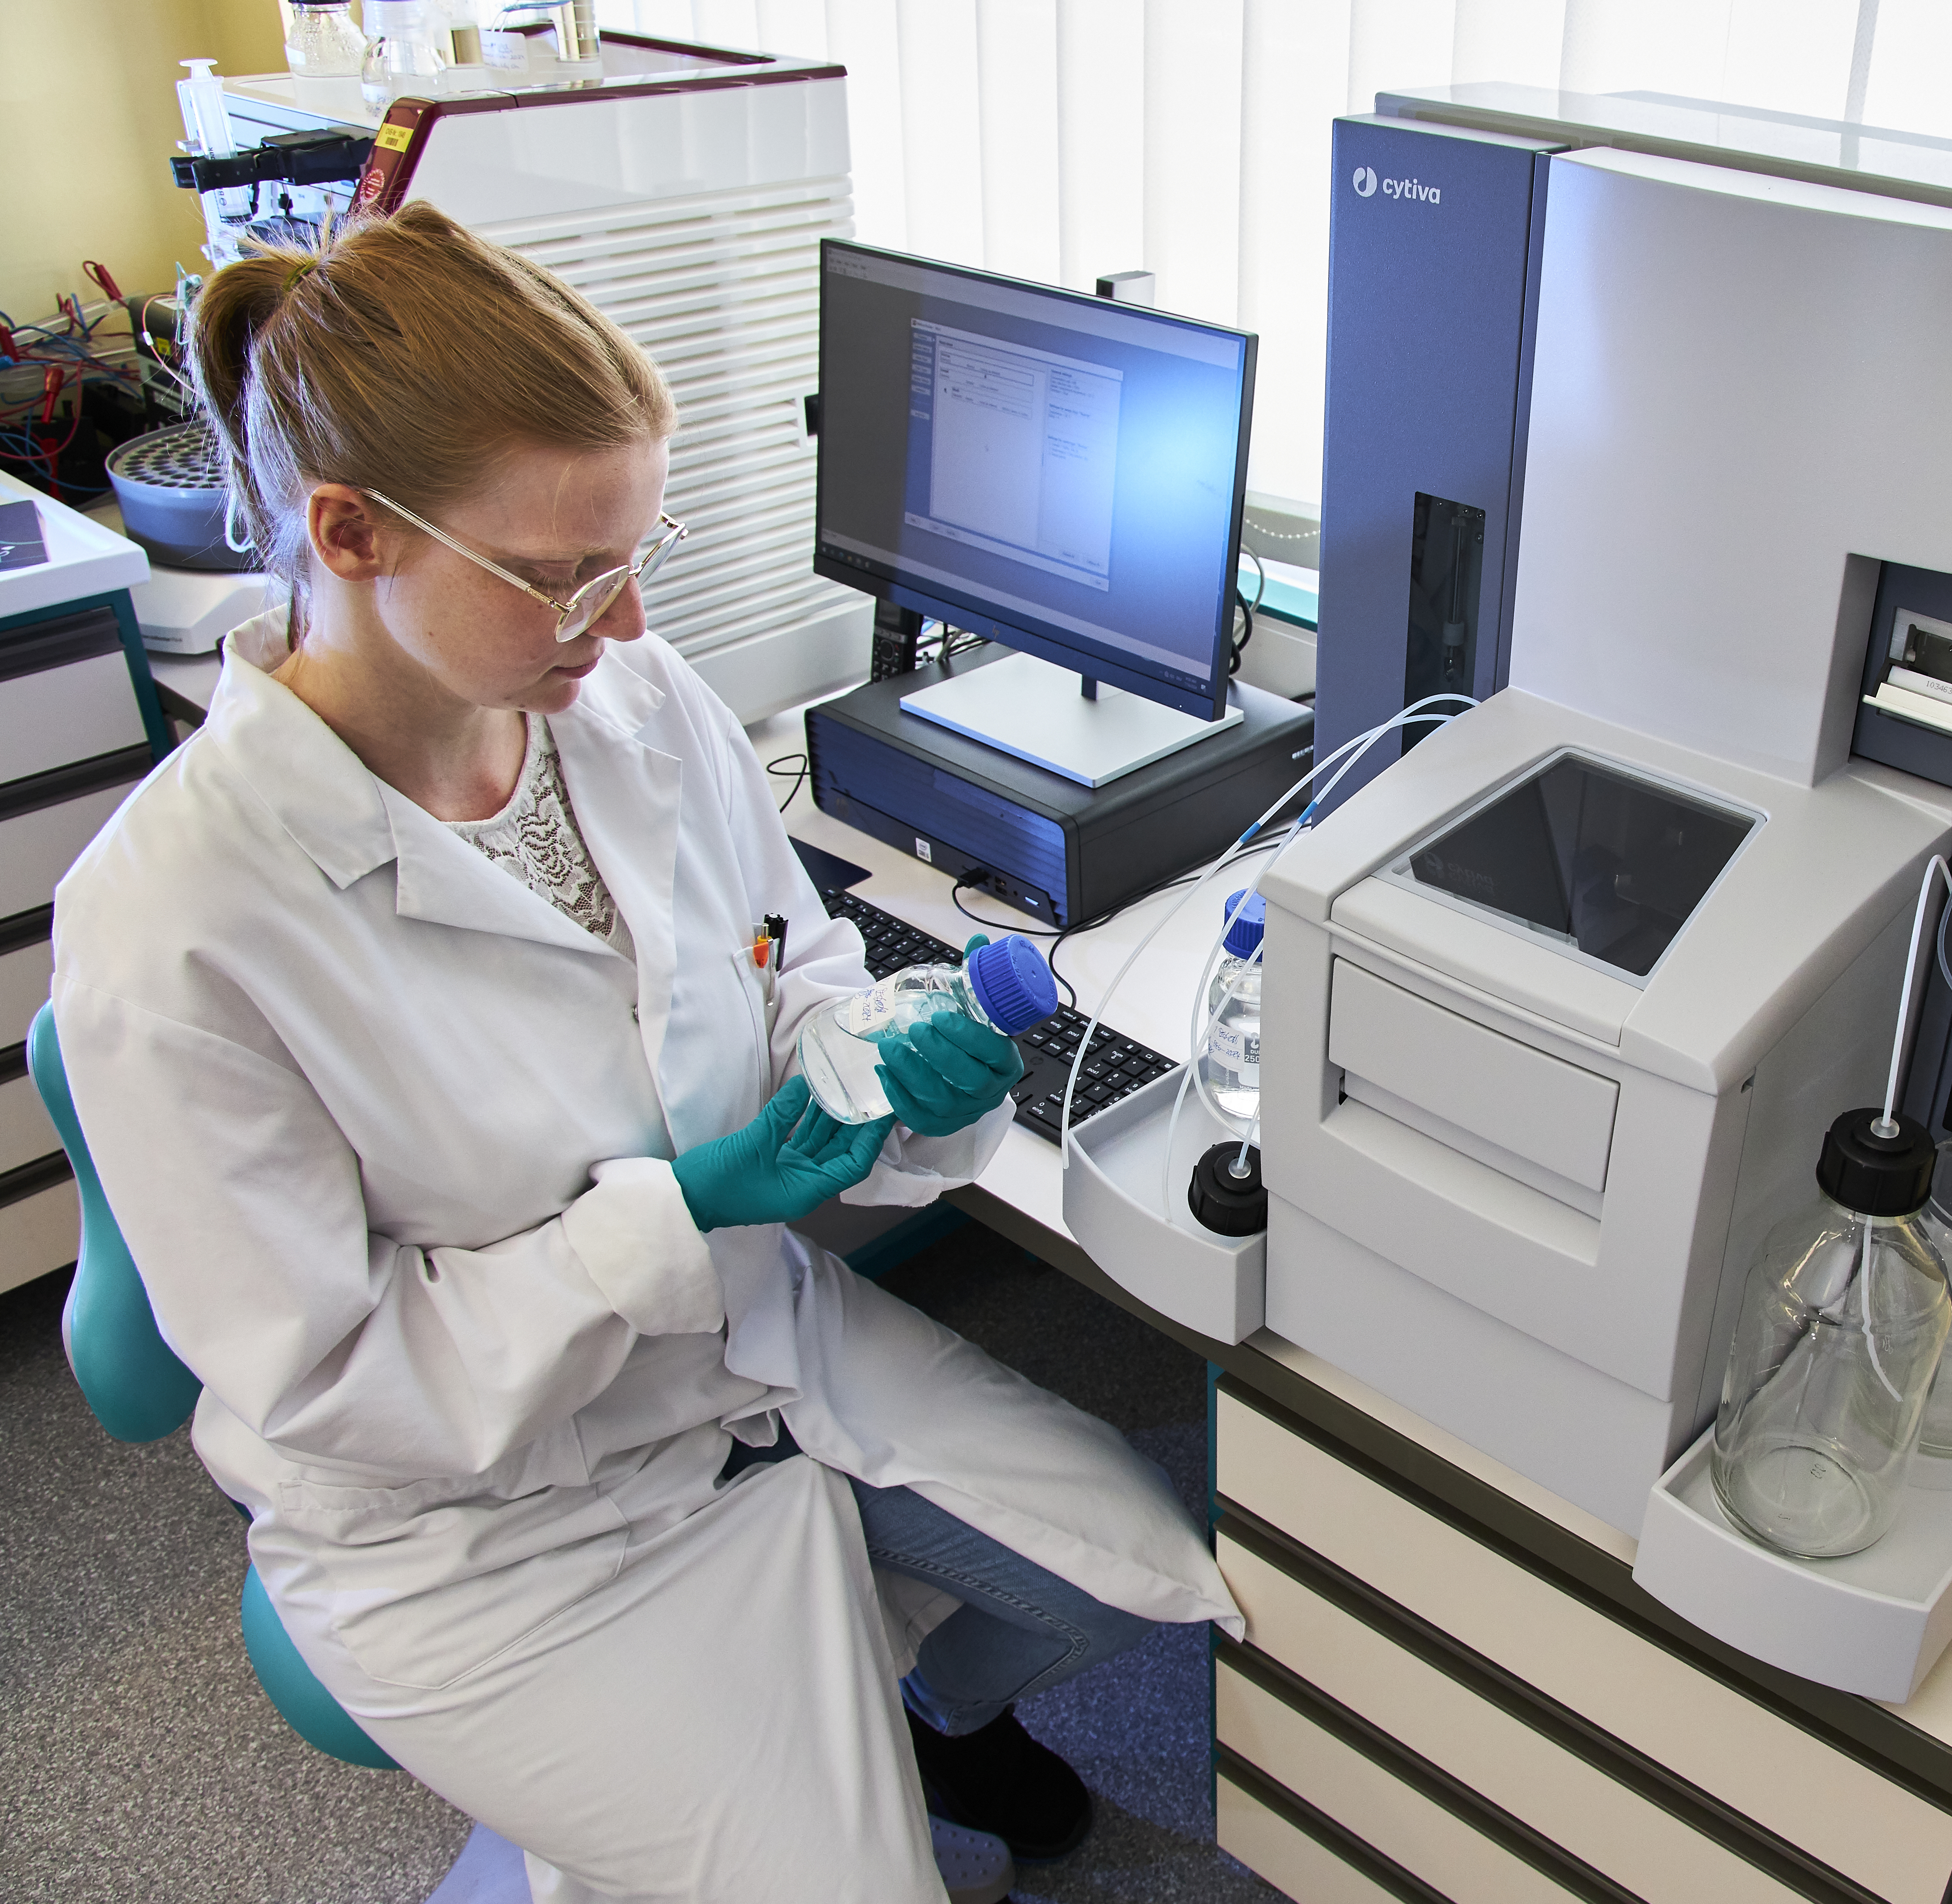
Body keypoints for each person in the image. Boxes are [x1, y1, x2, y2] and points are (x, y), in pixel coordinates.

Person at [49, 202, 1238, 1904]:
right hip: (488, 1532)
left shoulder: (634, 701)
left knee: (1139, 1576)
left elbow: (791, 973)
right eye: (558, 573)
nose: (616, 626)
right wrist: (676, 1212)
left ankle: (927, 1716)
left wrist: (884, 1063)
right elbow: (340, 1384)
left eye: (632, 556)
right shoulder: (174, 922)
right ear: (349, 534)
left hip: (754, 1349)